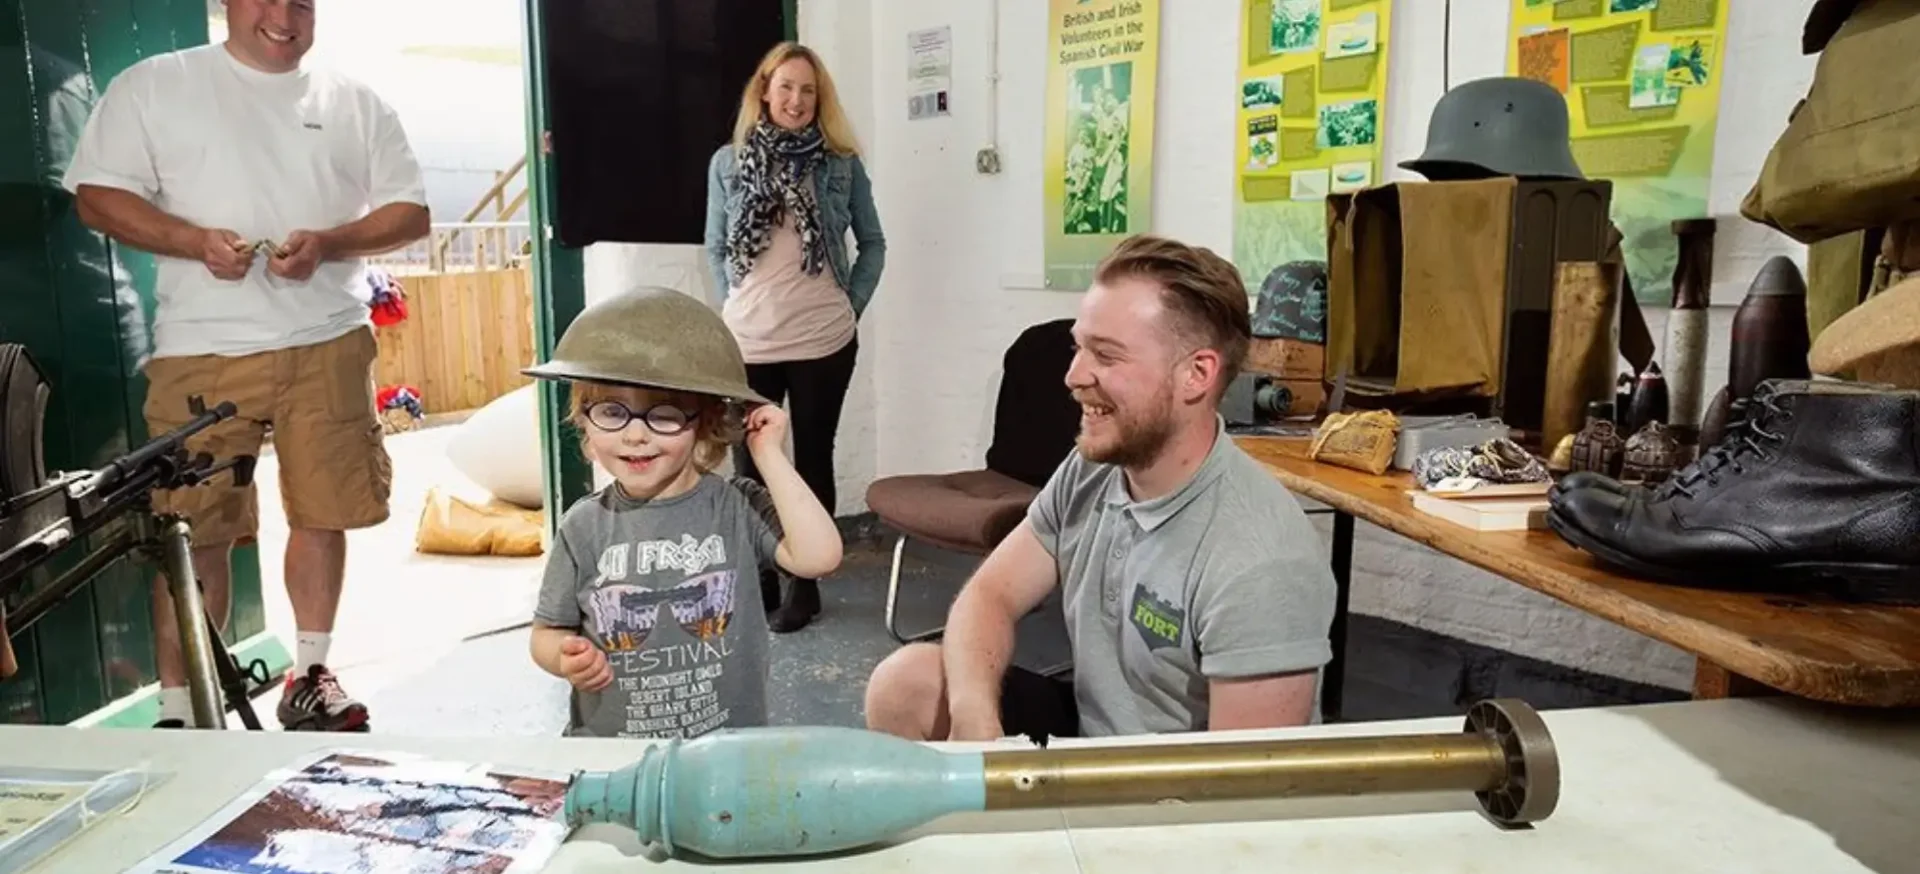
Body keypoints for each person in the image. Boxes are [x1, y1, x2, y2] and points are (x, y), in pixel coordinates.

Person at [60, 0, 430, 731]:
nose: (284, 15)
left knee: (324, 514)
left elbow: (410, 213)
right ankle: (184, 709)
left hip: (327, 338)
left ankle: (312, 674)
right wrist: (192, 240)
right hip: (200, 346)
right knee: (192, 528)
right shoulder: (156, 84)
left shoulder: (356, 101)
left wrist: (326, 242)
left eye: (302, 1)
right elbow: (96, 198)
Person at [863, 234, 1337, 742]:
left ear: (1197, 375)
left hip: (1174, 794)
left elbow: (1238, 793)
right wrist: (975, 716)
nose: (1072, 376)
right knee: (905, 685)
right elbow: (992, 593)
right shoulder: (1095, 467)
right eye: (1078, 347)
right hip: (1094, 740)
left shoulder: (1260, 562)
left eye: (1106, 356)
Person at [523, 287, 842, 740]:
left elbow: (819, 557)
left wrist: (768, 453)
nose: (636, 435)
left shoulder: (737, 505)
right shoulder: (583, 526)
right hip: (613, 756)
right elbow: (545, 632)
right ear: (587, 428)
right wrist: (564, 656)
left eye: (665, 415)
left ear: (705, 423)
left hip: (724, 752)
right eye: (613, 412)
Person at [705, 41, 885, 633]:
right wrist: (735, 304)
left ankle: (806, 584)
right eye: (786, 87)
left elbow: (873, 243)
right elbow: (715, 247)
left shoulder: (840, 164)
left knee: (812, 460)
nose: (797, 100)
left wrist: (850, 307)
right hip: (749, 343)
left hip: (822, 341)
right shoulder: (728, 164)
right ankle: (760, 577)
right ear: (765, 90)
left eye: (808, 91)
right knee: (752, 465)